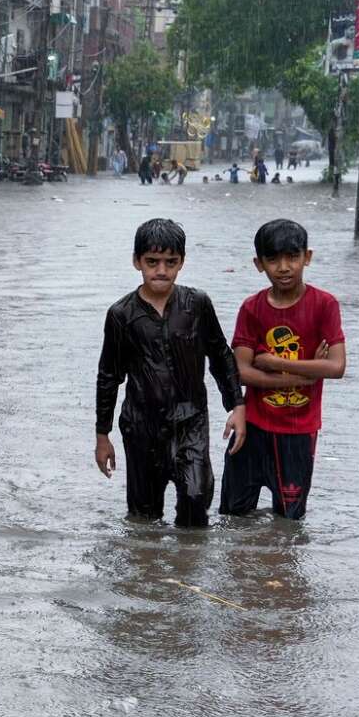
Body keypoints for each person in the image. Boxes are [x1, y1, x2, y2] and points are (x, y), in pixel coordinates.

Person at [95, 218, 245, 528]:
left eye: (170, 262)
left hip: (191, 420)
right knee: (144, 516)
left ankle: (189, 556)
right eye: (152, 262)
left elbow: (221, 356)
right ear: (137, 261)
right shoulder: (121, 315)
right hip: (141, 426)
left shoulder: (197, 304)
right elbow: (109, 376)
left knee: (195, 498)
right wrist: (102, 435)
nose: (161, 270)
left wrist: (237, 406)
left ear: (182, 262)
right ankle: (148, 559)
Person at [221, 220, 346, 521]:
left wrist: (276, 363)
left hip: (298, 432)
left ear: (307, 257)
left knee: (289, 523)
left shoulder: (324, 304)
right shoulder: (252, 308)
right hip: (252, 428)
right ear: (259, 264)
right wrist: (307, 375)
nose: (284, 267)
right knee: (232, 517)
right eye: (273, 259)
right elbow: (241, 371)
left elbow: (336, 366)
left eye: (292, 257)